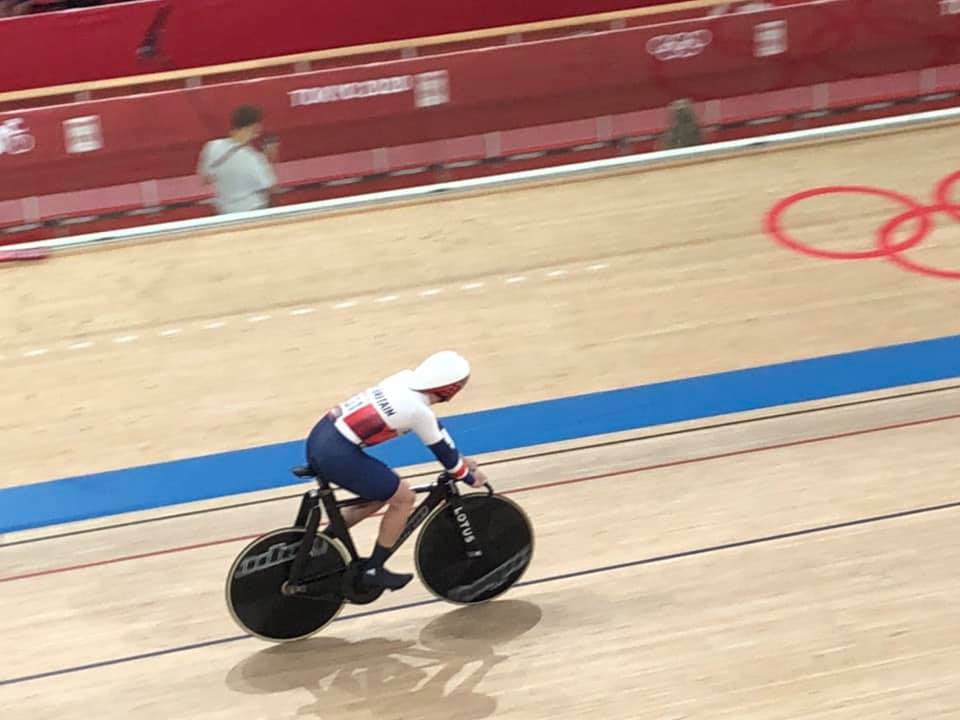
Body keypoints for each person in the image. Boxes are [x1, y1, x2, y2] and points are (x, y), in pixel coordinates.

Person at [304, 350, 487, 591]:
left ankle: (323, 543)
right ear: (451, 389)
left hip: (322, 438)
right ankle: (374, 569)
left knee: (384, 490)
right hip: (337, 454)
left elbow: (437, 430)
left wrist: (459, 458)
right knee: (404, 498)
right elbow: (444, 455)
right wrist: (470, 477)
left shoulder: (403, 379)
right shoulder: (418, 412)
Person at [196, 104, 277, 215]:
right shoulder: (253, 158)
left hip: (224, 212)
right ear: (255, 127)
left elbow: (205, 179)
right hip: (253, 211)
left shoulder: (211, 147)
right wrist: (269, 160)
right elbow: (270, 187)